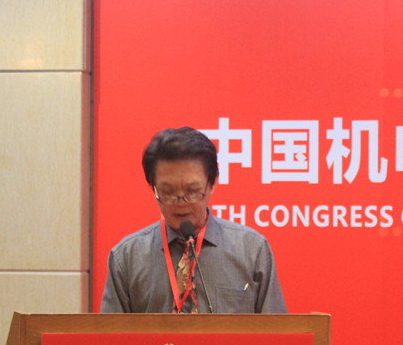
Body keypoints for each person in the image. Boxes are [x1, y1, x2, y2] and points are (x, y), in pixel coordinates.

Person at [100, 127, 287, 314]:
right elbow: (109, 332)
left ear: (212, 183)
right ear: (153, 187)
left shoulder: (252, 250)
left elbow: (277, 330)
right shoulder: (127, 257)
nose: (181, 202)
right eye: (167, 192)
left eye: (192, 191)